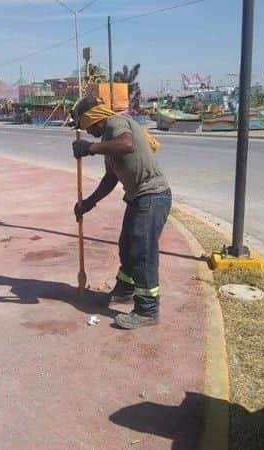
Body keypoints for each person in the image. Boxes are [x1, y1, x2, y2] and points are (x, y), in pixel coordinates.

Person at [70, 96, 171, 329]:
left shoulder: (116, 124)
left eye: (87, 126)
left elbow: (127, 144)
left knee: (142, 252)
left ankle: (147, 309)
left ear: (94, 119)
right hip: (138, 198)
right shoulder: (108, 140)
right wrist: (89, 202)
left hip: (152, 195)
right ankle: (125, 290)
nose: (88, 131)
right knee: (127, 246)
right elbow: (110, 178)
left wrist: (89, 148)